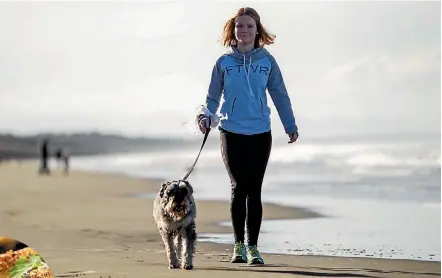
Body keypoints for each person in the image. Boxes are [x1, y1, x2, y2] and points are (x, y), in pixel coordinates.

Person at [196, 7, 299, 265]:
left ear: (257, 30)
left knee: (254, 190)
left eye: (249, 26)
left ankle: (253, 247)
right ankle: (238, 246)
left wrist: (290, 124)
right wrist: (204, 116)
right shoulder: (224, 63)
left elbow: (279, 94)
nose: (244, 30)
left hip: (260, 132)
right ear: (233, 30)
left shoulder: (267, 62)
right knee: (239, 186)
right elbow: (211, 97)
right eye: (240, 26)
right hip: (231, 131)